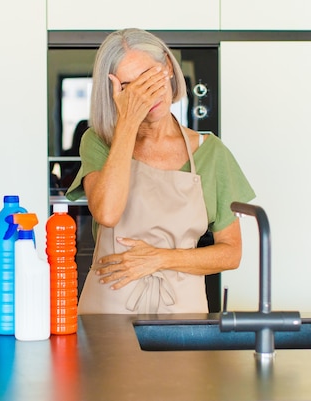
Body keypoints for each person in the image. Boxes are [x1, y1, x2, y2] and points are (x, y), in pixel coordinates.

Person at [66, 28, 255, 314]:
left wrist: (159, 258)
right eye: (129, 86)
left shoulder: (211, 153)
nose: (144, 94)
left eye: (148, 77)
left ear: (167, 67)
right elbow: (107, 213)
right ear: (114, 94)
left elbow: (231, 253)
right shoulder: (99, 141)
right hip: (107, 312)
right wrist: (128, 122)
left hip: (182, 312)